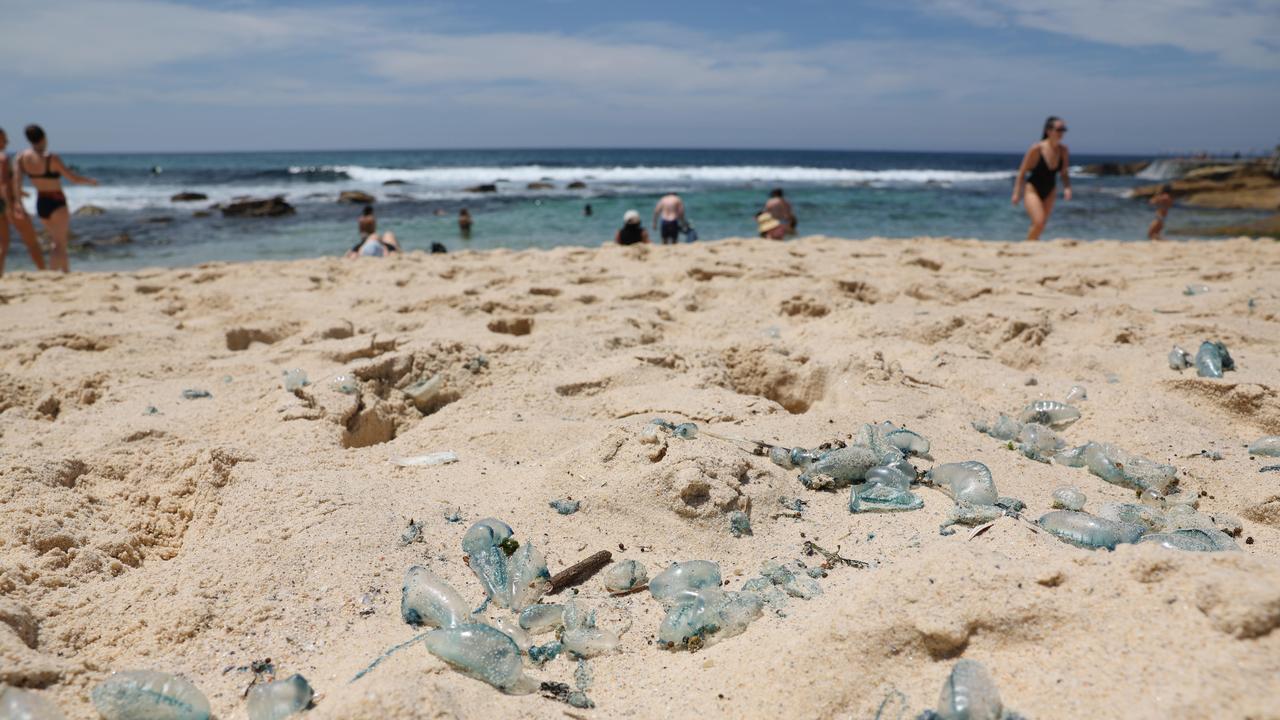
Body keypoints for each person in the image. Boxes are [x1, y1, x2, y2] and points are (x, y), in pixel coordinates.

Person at [13, 124, 98, 272]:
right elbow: (73, 178)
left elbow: (17, 182)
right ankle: (52, 274)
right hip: (57, 200)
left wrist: (19, 203)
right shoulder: (51, 158)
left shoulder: (21, 158)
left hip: (41, 202)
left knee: (58, 240)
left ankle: (66, 272)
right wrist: (90, 181)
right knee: (59, 242)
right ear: (44, 137)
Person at [1012, 116, 1071, 241]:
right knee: (1039, 221)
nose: (1062, 133)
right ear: (1048, 131)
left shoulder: (1063, 150)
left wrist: (1067, 188)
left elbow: (1064, 173)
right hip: (1032, 189)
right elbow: (1022, 172)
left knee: (1040, 224)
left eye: (1063, 129)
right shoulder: (1036, 149)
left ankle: (1032, 244)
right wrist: (1017, 193)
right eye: (1059, 129)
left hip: (1050, 190)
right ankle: (1029, 244)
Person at [1, 127, 45, 276]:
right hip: (8, 204)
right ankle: (44, 272)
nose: (7, 141)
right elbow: (4, 184)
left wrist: (20, 192)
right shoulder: (3, 158)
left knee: (3, 244)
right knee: (31, 241)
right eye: (4, 138)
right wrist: (12, 206)